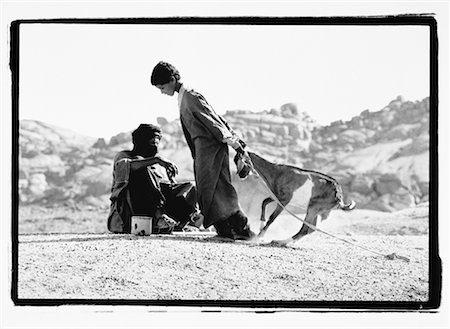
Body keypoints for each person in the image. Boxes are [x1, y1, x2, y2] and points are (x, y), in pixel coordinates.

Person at [150, 61, 254, 240]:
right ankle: (228, 231)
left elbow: (213, 121)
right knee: (210, 190)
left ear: (173, 79)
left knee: (214, 189)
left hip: (210, 149)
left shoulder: (190, 96)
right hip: (203, 150)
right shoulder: (184, 97)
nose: (162, 91)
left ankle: (241, 230)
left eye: (162, 86)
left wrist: (234, 144)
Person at [107, 123, 201, 234]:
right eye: (153, 142)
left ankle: (182, 223)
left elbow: (159, 192)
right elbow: (130, 166)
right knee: (141, 168)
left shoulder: (153, 166)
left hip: (151, 213)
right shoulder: (124, 157)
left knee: (191, 187)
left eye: (157, 142)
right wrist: (157, 160)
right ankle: (159, 217)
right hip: (127, 217)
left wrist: (172, 184)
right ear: (141, 141)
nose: (156, 146)